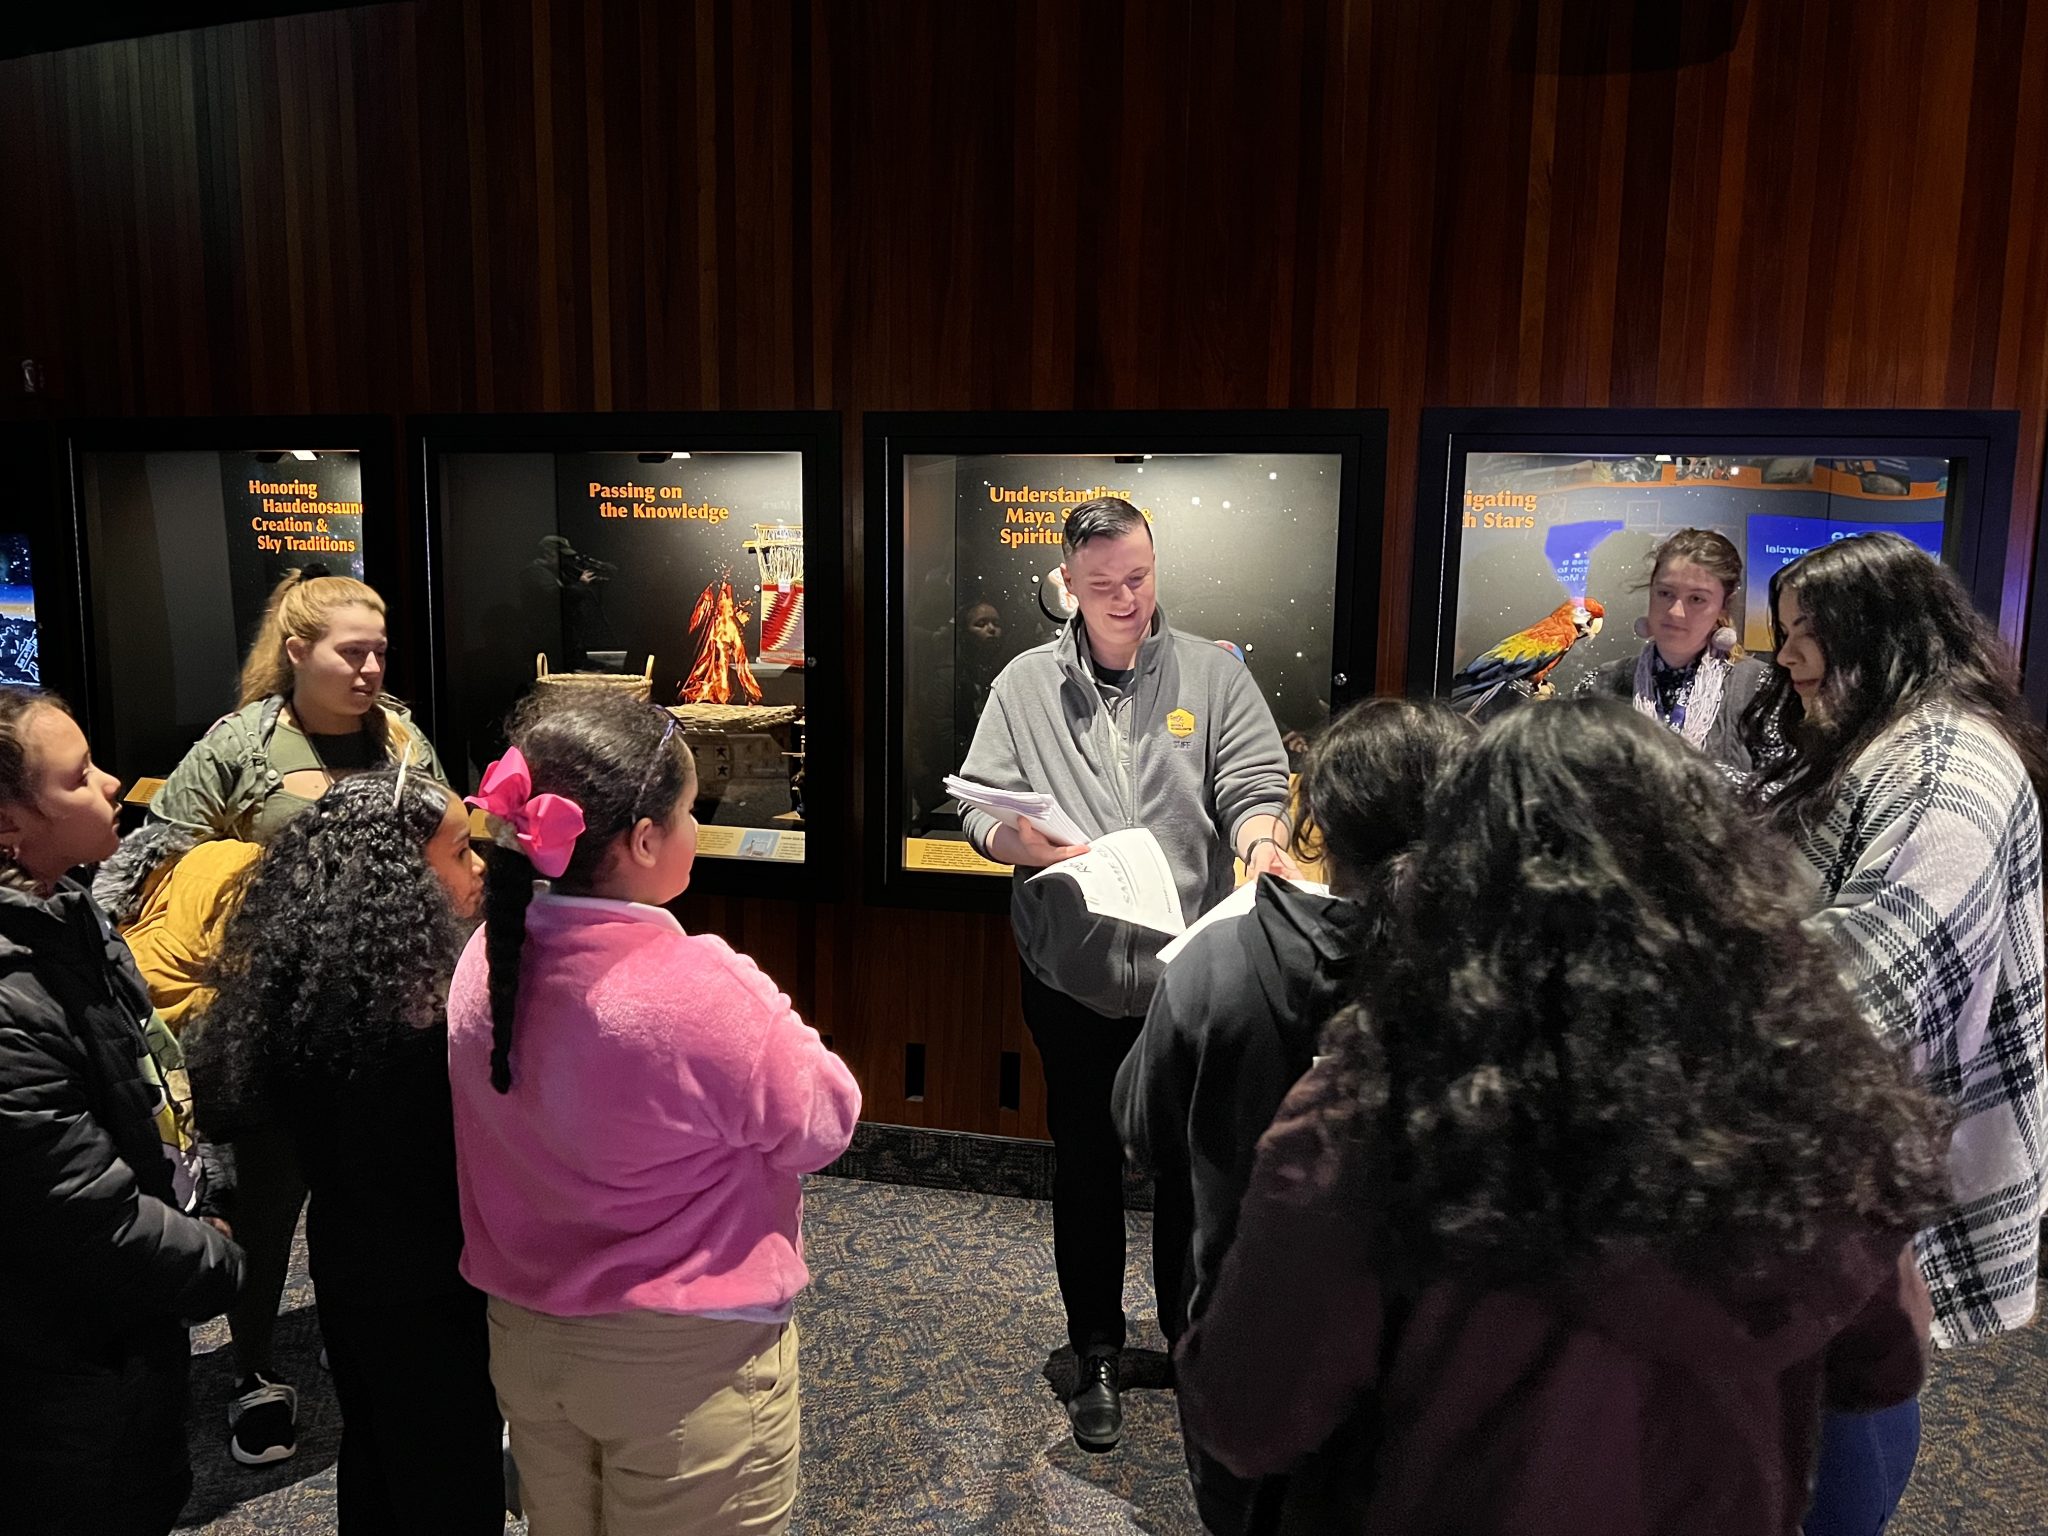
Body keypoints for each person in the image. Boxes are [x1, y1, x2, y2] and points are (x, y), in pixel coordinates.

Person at [1177, 700, 1952, 1536]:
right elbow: (1883, 1368)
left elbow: (1246, 1415)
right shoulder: (1811, 1098)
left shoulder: (1373, 1107)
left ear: (1455, 876)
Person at [448, 687, 860, 1536]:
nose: (694, 829)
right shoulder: (696, 987)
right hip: (683, 1360)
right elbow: (824, 1124)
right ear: (642, 840)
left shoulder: (484, 960)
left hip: (527, 1338)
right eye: (688, 812)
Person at [957, 496, 1296, 1453]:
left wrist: (1262, 842)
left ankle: (1191, 1347)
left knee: (1193, 1169)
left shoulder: (1213, 674)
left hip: (1187, 976)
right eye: (1102, 584)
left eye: (1139, 578)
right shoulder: (1024, 683)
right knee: (1086, 1163)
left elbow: (1254, 784)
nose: (1125, 599)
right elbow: (980, 807)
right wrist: (1013, 840)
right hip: (1070, 971)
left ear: (1156, 569)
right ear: (1068, 583)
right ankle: (1096, 1351)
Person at [1743, 532, 2048, 1535]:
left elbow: (1874, 975)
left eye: (1807, 634)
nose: (1787, 657)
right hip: (1843, 1156)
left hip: (1855, 1164)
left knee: (1840, 1418)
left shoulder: (1945, 766)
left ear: (1882, 632)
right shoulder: (1893, 741)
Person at [1114, 697, 1471, 1534]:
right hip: (1440, 1369)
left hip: (1249, 1334)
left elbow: (1141, 1129)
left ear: (1319, 825)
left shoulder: (1220, 955)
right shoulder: (1494, 976)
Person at [150, 565, 448, 1465]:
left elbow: (447, 842)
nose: (370, 670)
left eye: (379, 652)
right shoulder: (241, 744)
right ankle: (251, 1371)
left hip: (388, 1016)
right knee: (267, 1199)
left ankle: (353, 1325)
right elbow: (154, 860)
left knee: (374, 1193)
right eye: (351, 653)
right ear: (296, 652)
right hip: (270, 1017)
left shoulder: (402, 737)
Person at [186, 770, 502, 1535]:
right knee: (449, 1474)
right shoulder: (421, 1025)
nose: (479, 867)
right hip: (433, 1279)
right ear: (401, 876)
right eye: (461, 851)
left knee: (377, 1455)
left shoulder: (317, 989)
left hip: (348, 1260)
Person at [0, 688, 244, 1535]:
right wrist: (215, 1260)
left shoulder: (72, 918)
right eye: (76, 778)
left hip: (124, 1335)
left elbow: (153, 1085)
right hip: (59, 1367)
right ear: (9, 825)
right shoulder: (10, 1002)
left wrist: (203, 1191)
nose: (111, 784)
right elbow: (79, 1213)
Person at [1574, 527, 1770, 777]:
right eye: (1665, 593)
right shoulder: (1602, 684)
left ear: (1724, 604)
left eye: (1697, 599)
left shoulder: (1760, 689)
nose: (1675, 612)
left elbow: (1788, 791)